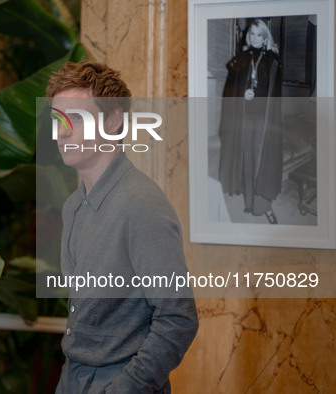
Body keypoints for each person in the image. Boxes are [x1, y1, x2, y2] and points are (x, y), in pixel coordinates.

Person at [46, 61, 198, 394]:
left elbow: (178, 318)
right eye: (57, 119)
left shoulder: (141, 204)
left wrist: (126, 388)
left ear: (114, 120)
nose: (62, 131)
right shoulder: (74, 206)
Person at [218, 19, 283, 224]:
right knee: (247, 160)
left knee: (262, 162)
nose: (255, 38)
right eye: (252, 35)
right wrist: (241, 94)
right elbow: (230, 90)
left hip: (263, 120)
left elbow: (275, 93)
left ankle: (264, 206)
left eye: (259, 35)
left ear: (265, 38)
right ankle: (249, 203)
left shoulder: (273, 60)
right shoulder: (242, 58)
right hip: (245, 117)